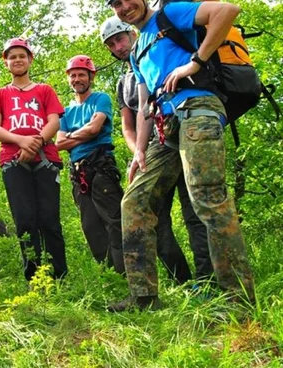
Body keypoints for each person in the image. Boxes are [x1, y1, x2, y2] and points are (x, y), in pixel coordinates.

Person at [106, 0, 255, 311]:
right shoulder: (136, 52)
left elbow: (227, 11)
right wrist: (140, 152)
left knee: (208, 199)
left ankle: (238, 300)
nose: (124, 6)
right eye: (116, 4)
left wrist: (195, 63)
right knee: (133, 202)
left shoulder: (169, 16)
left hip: (197, 110)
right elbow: (145, 107)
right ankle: (143, 298)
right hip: (165, 127)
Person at [100, 16, 212, 284]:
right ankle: (182, 280)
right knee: (154, 217)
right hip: (151, 150)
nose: (118, 47)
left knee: (194, 210)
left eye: (120, 39)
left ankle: (207, 280)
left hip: (181, 131)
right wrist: (138, 152)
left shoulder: (157, 51)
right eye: (111, 44)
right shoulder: (124, 83)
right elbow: (129, 124)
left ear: (131, 34)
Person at [0, 38, 68, 282]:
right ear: (6, 63)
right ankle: (34, 278)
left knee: (49, 219)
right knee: (24, 220)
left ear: (30, 59)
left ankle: (59, 276)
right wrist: (21, 142)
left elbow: (54, 121)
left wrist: (37, 142)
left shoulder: (45, 90)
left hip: (45, 159)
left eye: (22, 55)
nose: (17, 60)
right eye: (12, 57)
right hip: (13, 161)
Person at [55, 55, 125, 275]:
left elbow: (95, 129)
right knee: (90, 226)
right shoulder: (65, 112)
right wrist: (83, 134)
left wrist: (73, 137)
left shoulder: (101, 99)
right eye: (73, 75)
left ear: (91, 77)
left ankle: (127, 273)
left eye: (81, 75)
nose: (77, 79)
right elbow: (59, 143)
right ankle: (109, 274)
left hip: (101, 165)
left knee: (114, 221)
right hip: (79, 172)